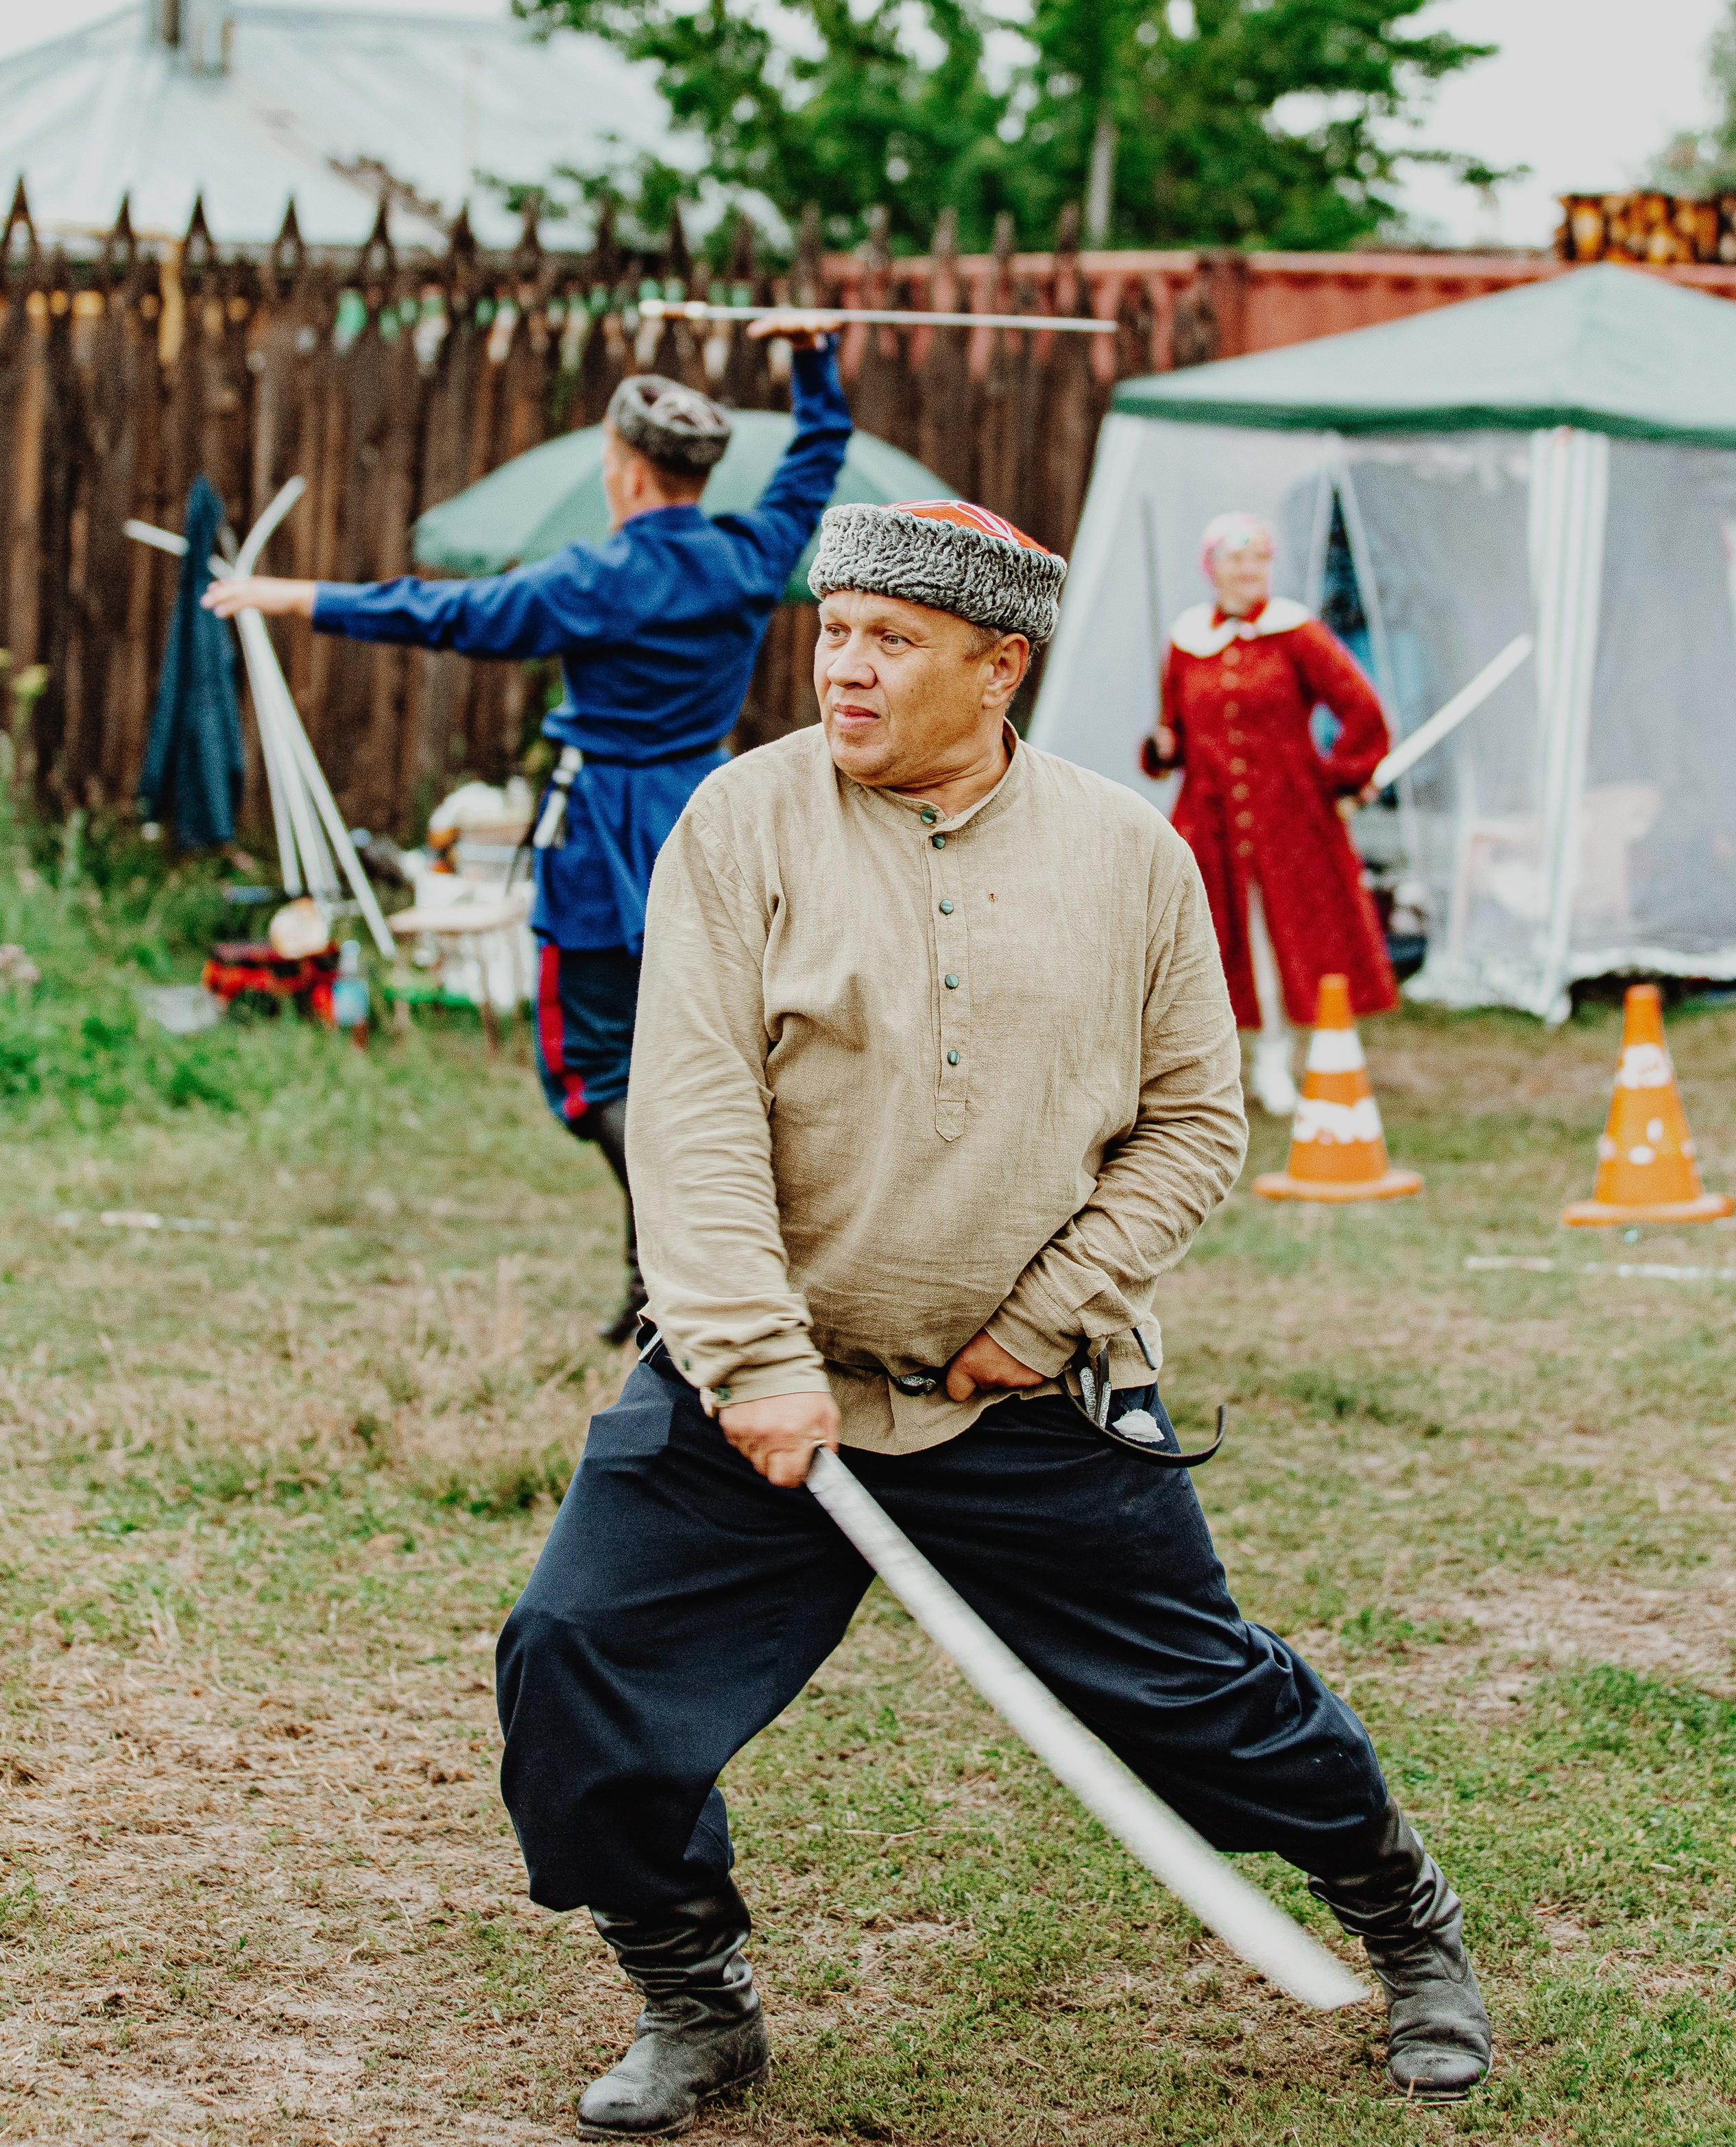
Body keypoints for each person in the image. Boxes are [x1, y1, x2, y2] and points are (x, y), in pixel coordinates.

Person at [495, 496, 1493, 2138]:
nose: (845, 667)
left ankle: (1403, 1919)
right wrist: (750, 1361)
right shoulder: (739, 824)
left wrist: (1040, 1320)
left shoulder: (1128, 856)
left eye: (891, 640)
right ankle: (691, 1994)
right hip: (764, 1388)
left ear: (998, 665)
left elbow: (1193, 1123)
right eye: (832, 632)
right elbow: (689, 1117)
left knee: (1209, 1707)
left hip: (1028, 1397)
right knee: (575, 1660)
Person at [204, 317, 851, 1341]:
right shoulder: (749, 554)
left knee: (590, 1069)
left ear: (624, 471)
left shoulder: (593, 579)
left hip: (601, 837)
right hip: (712, 827)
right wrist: (813, 360)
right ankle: (658, 1280)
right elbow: (814, 464)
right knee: (696, 1053)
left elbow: (447, 615)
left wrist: (298, 597)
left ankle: (687, 1253)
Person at [1142, 510, 1396, 1118]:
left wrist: (1341, 778)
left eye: (1259, 557)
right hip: (1210, 822)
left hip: (1291, 818)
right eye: (1237, 558)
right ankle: (1231, 1064)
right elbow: (1175, 733)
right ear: (1213, 569)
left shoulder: (1296, 633)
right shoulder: (1186, 641)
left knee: (1299, 936)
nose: (1249, 569)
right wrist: (1163, 747)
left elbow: (1361, 709)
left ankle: (1304, 1056)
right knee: (1223, 941)